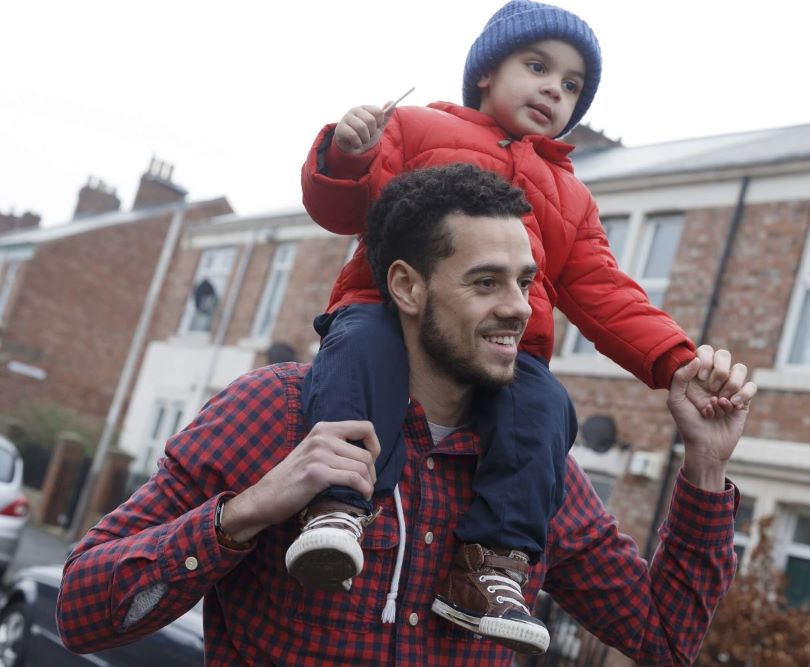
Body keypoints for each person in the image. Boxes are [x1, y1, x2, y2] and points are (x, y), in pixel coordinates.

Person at [56, 164, 757, 666]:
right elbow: (82, 610)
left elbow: (665, 640)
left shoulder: (537, 470)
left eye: (524, 282)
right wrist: (247, 511)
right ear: (407, 287)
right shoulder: (275, 412)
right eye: (485, 282)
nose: (518, 307)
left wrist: (705, 466)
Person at [293, 3, 699, 650]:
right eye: (537, 66)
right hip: (385, 310)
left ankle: (490, 566)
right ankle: (339, 505)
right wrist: (346, 153)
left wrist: (678, 360)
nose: (553, 89)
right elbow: (340, 208)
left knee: (544, 404)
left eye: (570, 85)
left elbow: (603, 292)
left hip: (508, 354)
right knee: (358, 345)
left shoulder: (570, 196)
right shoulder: (417, 128)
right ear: (486, 72)